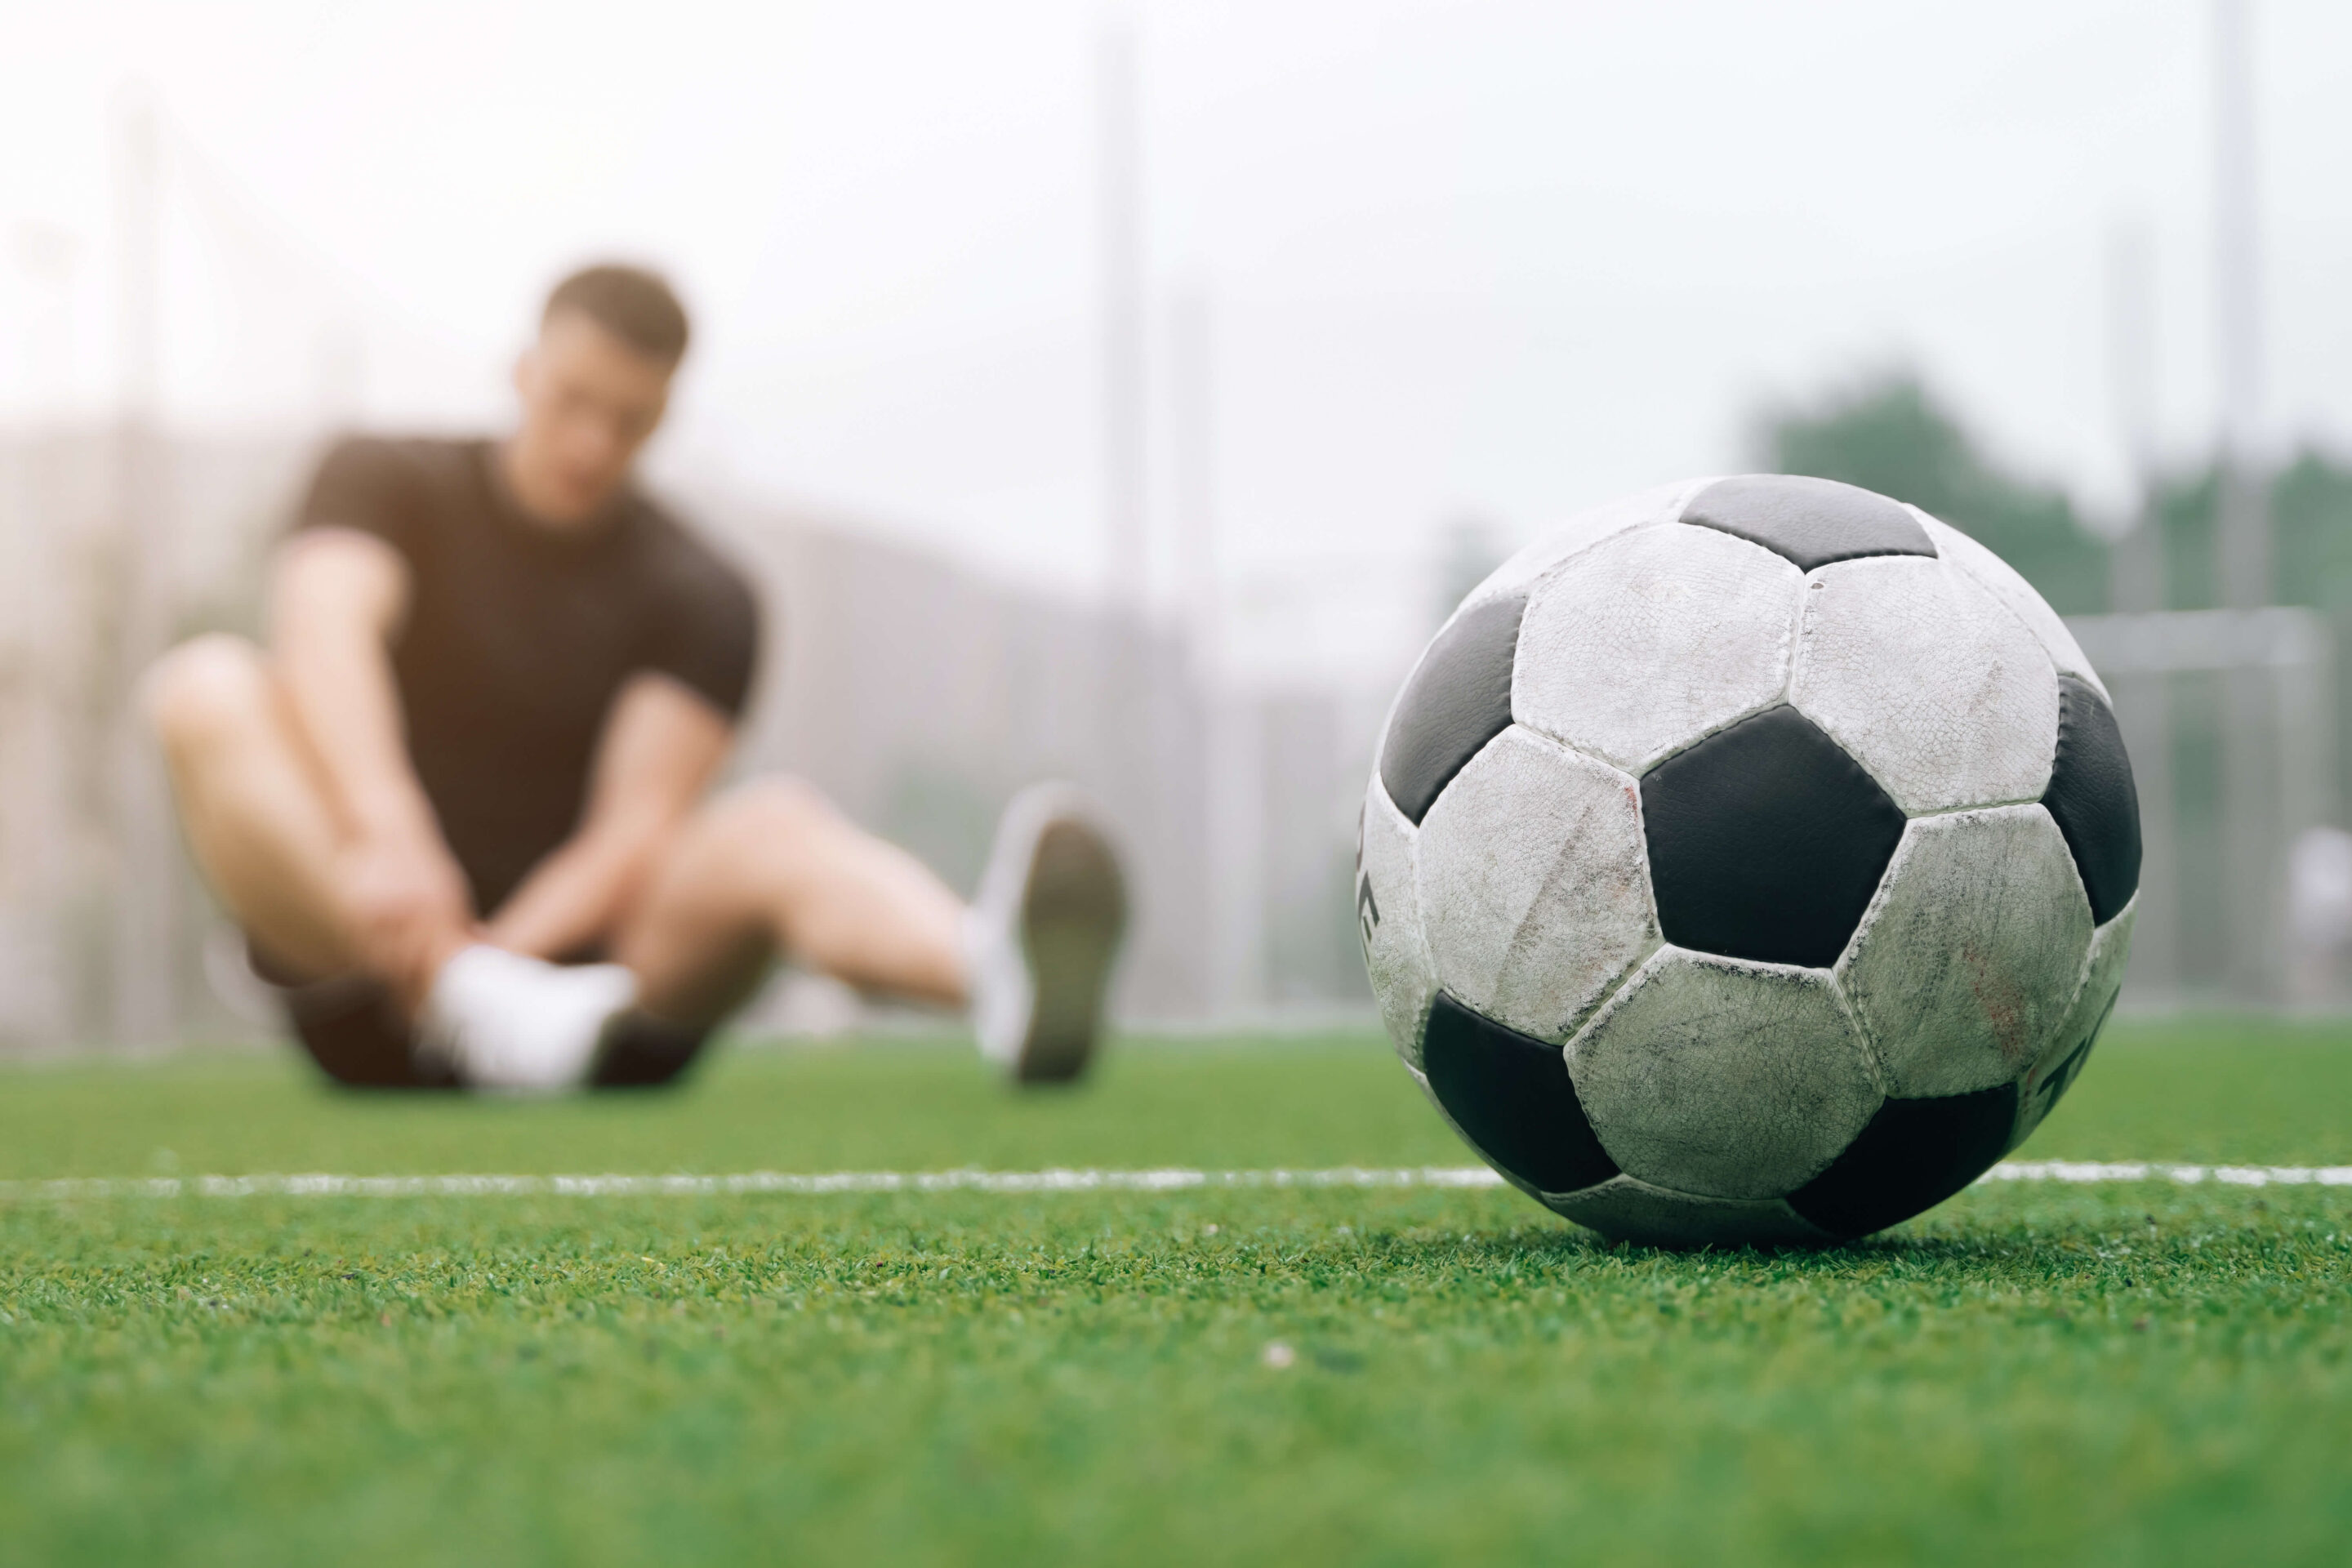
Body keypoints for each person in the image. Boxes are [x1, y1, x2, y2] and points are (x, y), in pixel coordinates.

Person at [142, 263, 1127, 1093]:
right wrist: (396, 848)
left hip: (591, 1017)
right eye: (573, 402)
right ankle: (455, 990)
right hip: (368, 983)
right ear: (524, 372)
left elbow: (635, 831)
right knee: (203, 688)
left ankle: (997, 972)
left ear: (666, 414)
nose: (592, 445)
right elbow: (323, 636)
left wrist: (505, 967)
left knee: (775, 824)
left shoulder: (704, 591)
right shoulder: (380, 477)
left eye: (631, 419)